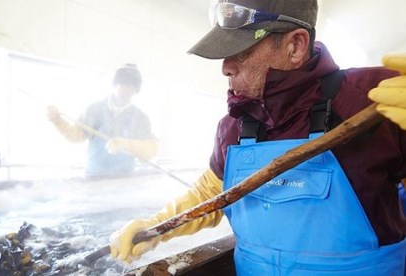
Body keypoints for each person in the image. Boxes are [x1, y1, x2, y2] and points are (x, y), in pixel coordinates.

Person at [109, 0, 406, 274]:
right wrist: (156, 227)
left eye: (241, 50)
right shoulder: (233, 126)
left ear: (295, 46)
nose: (225, 67)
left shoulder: (374, 99)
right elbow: (211, 196)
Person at [47, 63, 159, 178]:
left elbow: (151, 148)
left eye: (133, 87)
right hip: (93, 177)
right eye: (124, 84)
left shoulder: (140, 118)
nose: (128, 90)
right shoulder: (93, 110)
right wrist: (57, 121)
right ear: (115, 84)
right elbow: (76, 136)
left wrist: (126, 144)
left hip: (125, 181)